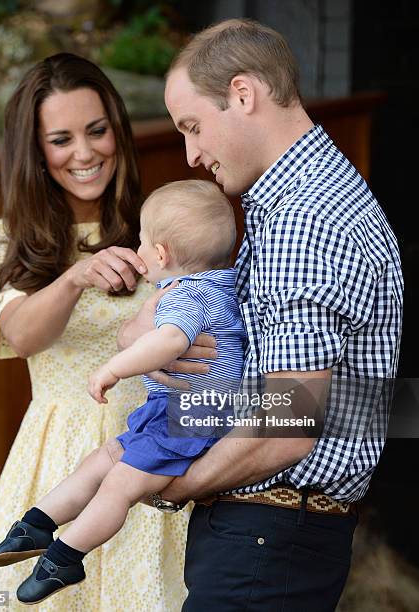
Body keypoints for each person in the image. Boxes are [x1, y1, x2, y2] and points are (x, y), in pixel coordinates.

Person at [118, 19, 404, 611]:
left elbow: (290, 417)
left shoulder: (304, 219)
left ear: (243, 95)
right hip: (270, 538)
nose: (192, 154)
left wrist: (160, 481)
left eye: (193, 127)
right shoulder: (300, 203)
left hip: (270, 537)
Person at [0, 53, 211, 612]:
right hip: (57, 457)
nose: (84, 153)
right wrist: (75, 276)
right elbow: (20, 336)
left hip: (157, 445)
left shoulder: (165, 225)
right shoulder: (8, 240)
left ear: (118, 132)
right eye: (61, 139)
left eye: (97, 131)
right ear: (35, 151)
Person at [0, 179, 245, 605]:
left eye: (143, 242)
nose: (140, 250)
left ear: (160, 253)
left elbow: (168, 343)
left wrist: (111, 368)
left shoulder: (189, 295)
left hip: (191, 418)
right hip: (175, 414)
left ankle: (66, 556)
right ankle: (37, 522)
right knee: (102, 460)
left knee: (118, 485)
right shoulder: (218, 285)